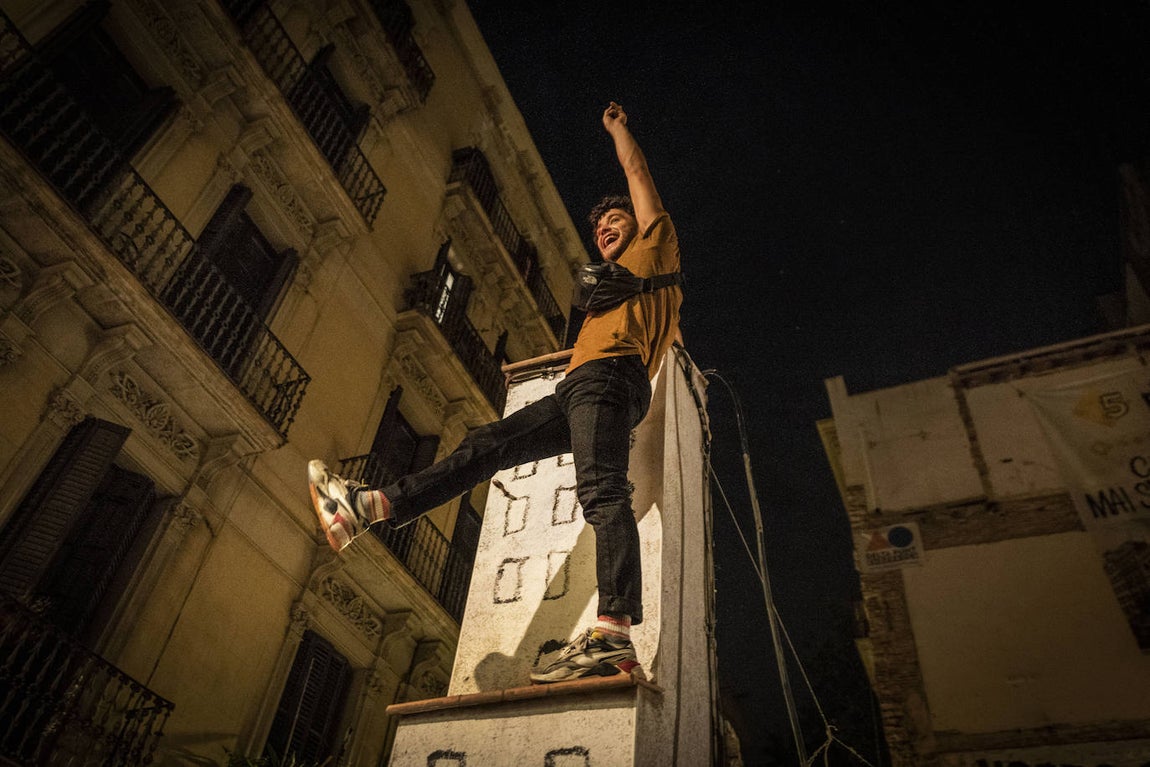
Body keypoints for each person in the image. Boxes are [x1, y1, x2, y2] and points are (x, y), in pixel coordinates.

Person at [308, 101, 682, 683]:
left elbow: (638, 179)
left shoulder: (655, 247)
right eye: (598, 227)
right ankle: (371, 508)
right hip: (582, 389)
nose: (606, 229)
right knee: (489, 445)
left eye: (616, 221)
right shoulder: (620, 289)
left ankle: (614, 634)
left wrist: (617, 130)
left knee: (603, 490)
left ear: (640, 225)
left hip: (611, 380)